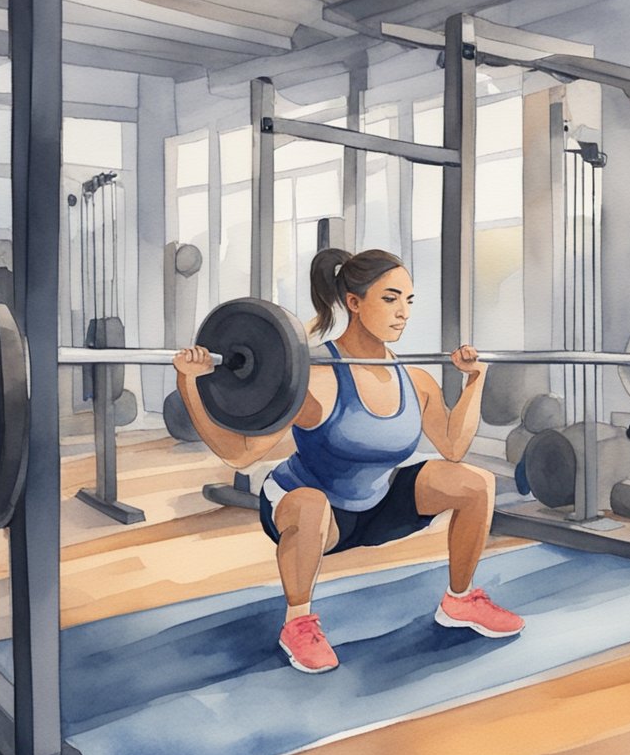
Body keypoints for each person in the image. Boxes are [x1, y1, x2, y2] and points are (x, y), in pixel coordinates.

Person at [174, 248, 524, 674]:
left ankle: (460, 600)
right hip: (310, 510)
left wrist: (475, 379)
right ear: (354, 303)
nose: (403, 313)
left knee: (475, 483)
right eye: (390, 299)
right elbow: (240, 455)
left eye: (409, 301)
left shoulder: (415, 378)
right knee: (312, 505)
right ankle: (297, 622)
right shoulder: (315, 374)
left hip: (377, 506)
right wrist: (189, 384)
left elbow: (453, 447)